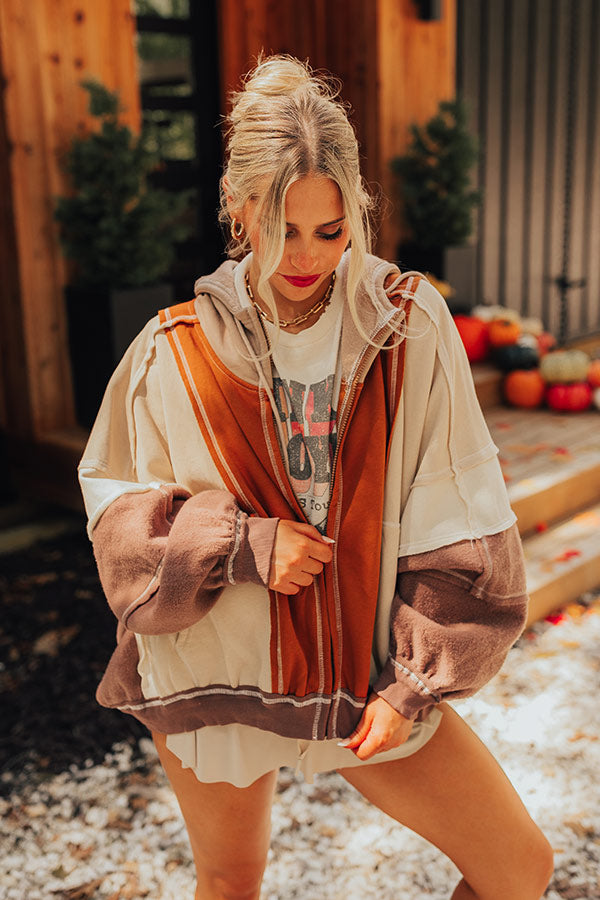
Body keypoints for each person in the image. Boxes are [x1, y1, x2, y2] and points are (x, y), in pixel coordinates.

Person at [79, 55, 553, 900]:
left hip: (364, 670)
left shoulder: (407, 326)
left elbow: (459, 504)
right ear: (237, 208)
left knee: (518, 868)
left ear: (356, 216)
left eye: (329, 231)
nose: (304, 257)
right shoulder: (169, 348)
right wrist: (242, 545)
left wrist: (414, 682)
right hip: (216, 662)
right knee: (230, 881)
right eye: (279, 228)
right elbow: (120, 521)